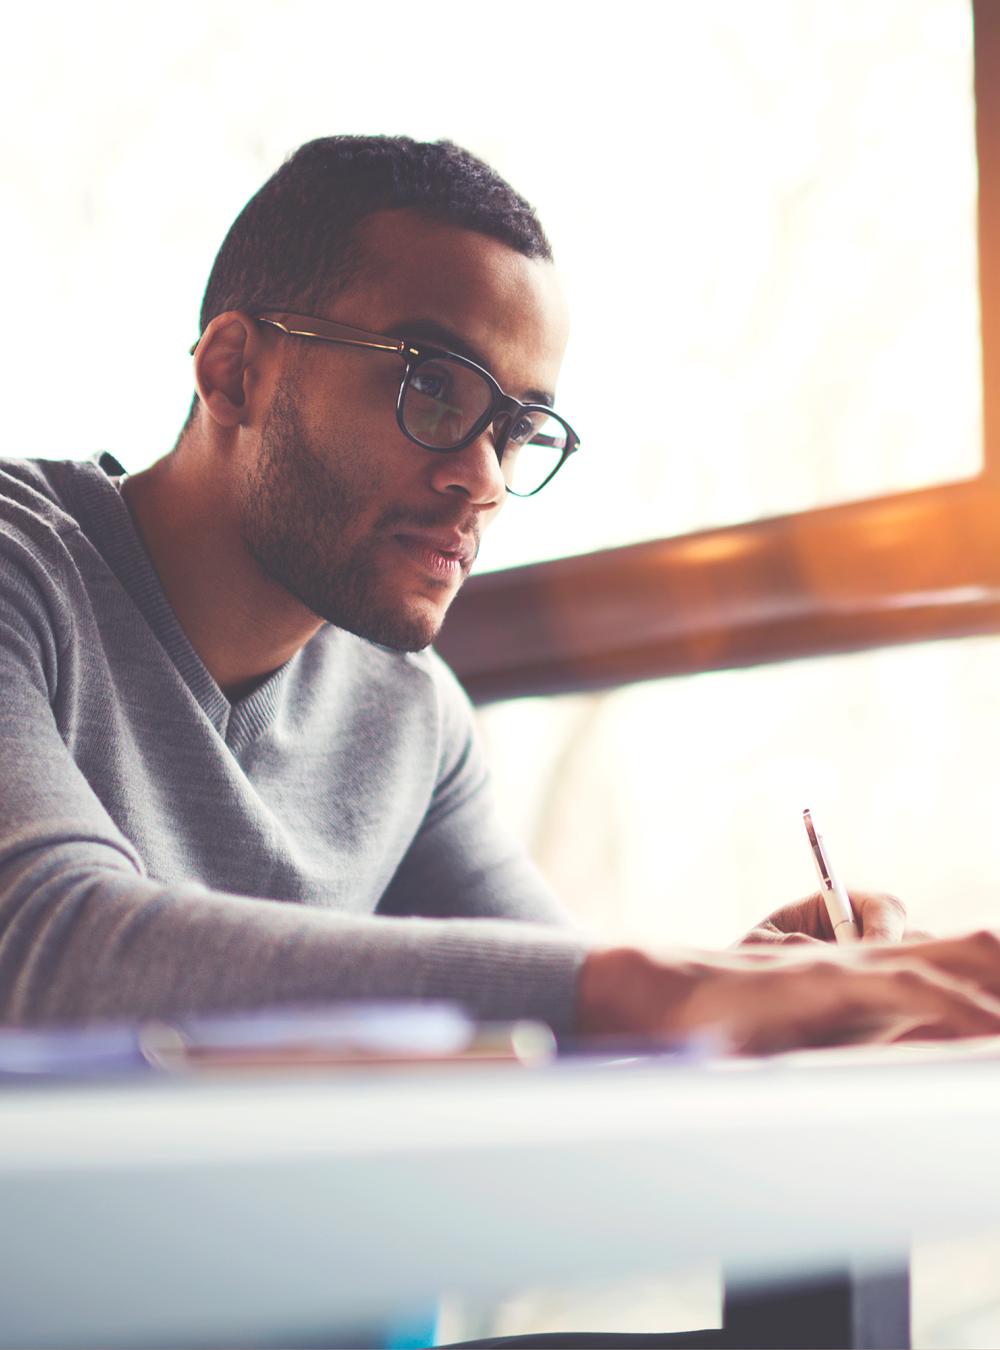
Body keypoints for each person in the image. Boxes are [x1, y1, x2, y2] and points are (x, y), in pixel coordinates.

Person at [2, 133, 1000, 1056]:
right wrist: (649, 990)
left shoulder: (409, 712)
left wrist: (750, 989)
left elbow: (561, 1010)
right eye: (432, 386)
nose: (483, 480)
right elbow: (46, 944)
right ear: (234, 372)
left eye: (520, 430)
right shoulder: (25, 570)